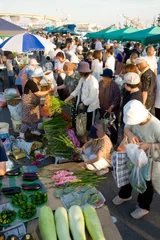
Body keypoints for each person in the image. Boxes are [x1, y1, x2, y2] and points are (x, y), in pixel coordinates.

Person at [112, 100, 160, 219]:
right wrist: (131, 135)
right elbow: (127, 129)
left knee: (146, 183)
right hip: (135, 155)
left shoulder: (155, 125)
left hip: (149, 160)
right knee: (128, 175)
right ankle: (124, 195)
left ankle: (143, 207)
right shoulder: (133, 118)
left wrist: (148, 145)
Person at [64, 62, 99, 142]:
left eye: (78, 71)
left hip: (91, 106)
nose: (78, 73)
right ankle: (84, 138)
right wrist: (68, 99)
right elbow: (77, 90)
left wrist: (83, 104)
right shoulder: (82, 79)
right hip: (83, 104)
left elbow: (92, 97)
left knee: (90, 123)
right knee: (84, 121)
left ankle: (89, 139)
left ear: (82, 72)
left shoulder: (93, 81)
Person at [19, 67, 54, 139]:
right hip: (28, 104)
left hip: (34, 104)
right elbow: (38, 94)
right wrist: (48, 91)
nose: (41, 78)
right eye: (41, 77)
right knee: (27, 120)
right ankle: (21, 134)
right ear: (37, 77)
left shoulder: (36, 82)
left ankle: (33, 130)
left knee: (35, 117)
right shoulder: (31, 82)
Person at [57, 62, 80, 128]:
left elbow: (78, 90)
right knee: (73, 114)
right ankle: (74, 127)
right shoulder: (67, 76)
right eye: (66, 72)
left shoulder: (78, 76)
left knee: (78, 114)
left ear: (72, 69)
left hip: (79, 98)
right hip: (72, 98)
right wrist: (56, 88)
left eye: (68, 72)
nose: (67, 73)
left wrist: (67, 99)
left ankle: (79, 129)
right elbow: (65, 85)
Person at [99, 68, 121, 135]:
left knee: (112, 126)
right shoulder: (100, 83)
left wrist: (111, 107)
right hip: (102, 109)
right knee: (103, 124)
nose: (105, 79)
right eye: (104, 77)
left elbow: (117, 98)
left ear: (111, 78)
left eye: (107, 78)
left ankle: (113, 141)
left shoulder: (114, 86)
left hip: (112, 111)